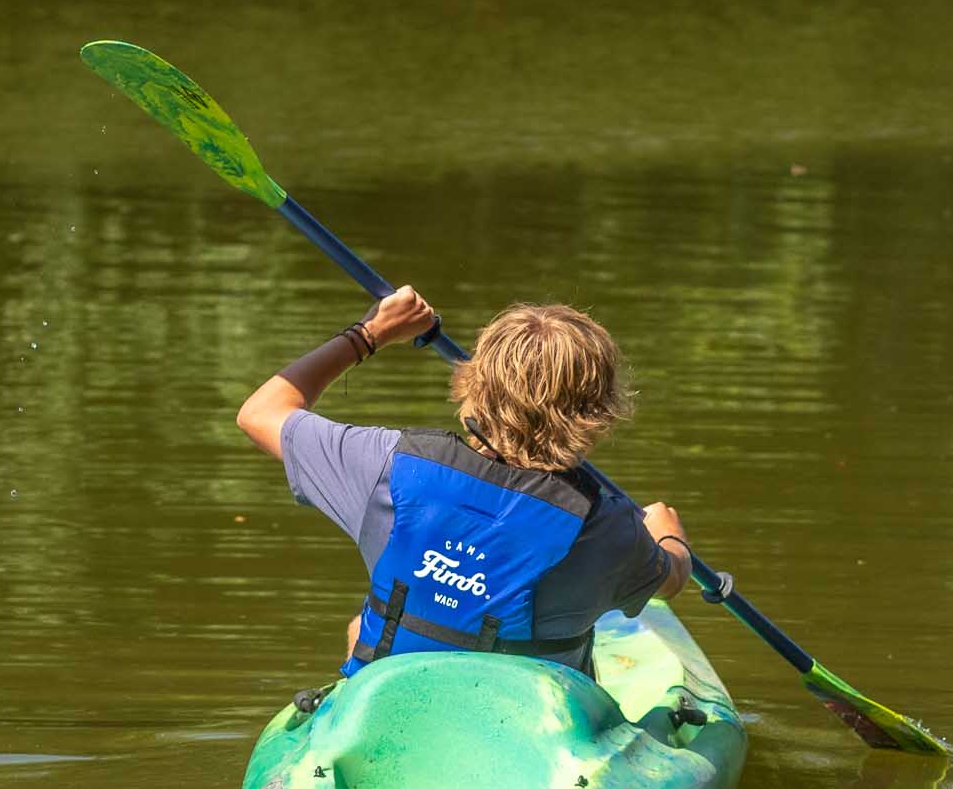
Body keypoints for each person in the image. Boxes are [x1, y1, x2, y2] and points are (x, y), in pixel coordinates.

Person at [236, 285, 694, 679]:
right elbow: (670, 580)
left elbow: (260, 413)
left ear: (472, 382)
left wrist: (369, 334)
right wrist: (667, 535)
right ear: (600, 411)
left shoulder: (388, 466)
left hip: (391, 702)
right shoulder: (611, 526)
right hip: (530, 735)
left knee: (363, 626)